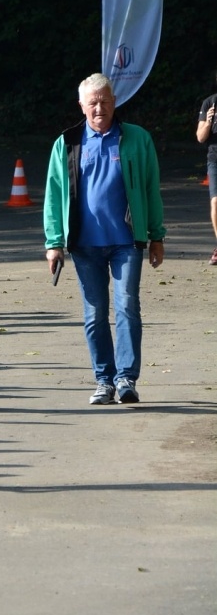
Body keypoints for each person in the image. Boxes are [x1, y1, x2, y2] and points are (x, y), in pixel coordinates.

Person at [44, 73, 165, 406]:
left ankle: (126, 378)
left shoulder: (137, 139)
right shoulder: (66, 143)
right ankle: (104, 380)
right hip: (85, 244)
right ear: (82, 106)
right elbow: (54, 196)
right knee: (94, 314)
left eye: (105, 100)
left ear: (115, 102)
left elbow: (151, 190)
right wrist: (54, 242)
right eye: (92, 102)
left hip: (127, 241)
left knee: (127, 306)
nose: (99, 107)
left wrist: (157, 236)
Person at [195, 76, 217, 264]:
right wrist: (208, 122)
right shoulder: (209, 103)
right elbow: (200, 138)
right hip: (215, 159)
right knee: (216, 201)